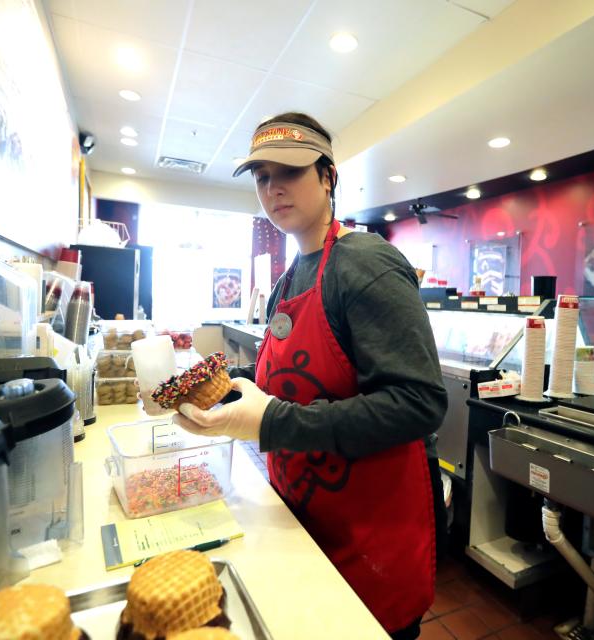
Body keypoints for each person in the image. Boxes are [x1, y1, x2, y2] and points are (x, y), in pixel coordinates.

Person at [168, 113, 447, 639]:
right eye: (262, 176)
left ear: (328, 177)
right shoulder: (287, 281)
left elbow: (418, 403)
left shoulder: (367, 264)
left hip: (371, 533)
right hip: (308, 517)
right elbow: (288, 380)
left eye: (290, 172)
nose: (273, 188)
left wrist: (271, 422)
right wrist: (222, 392)